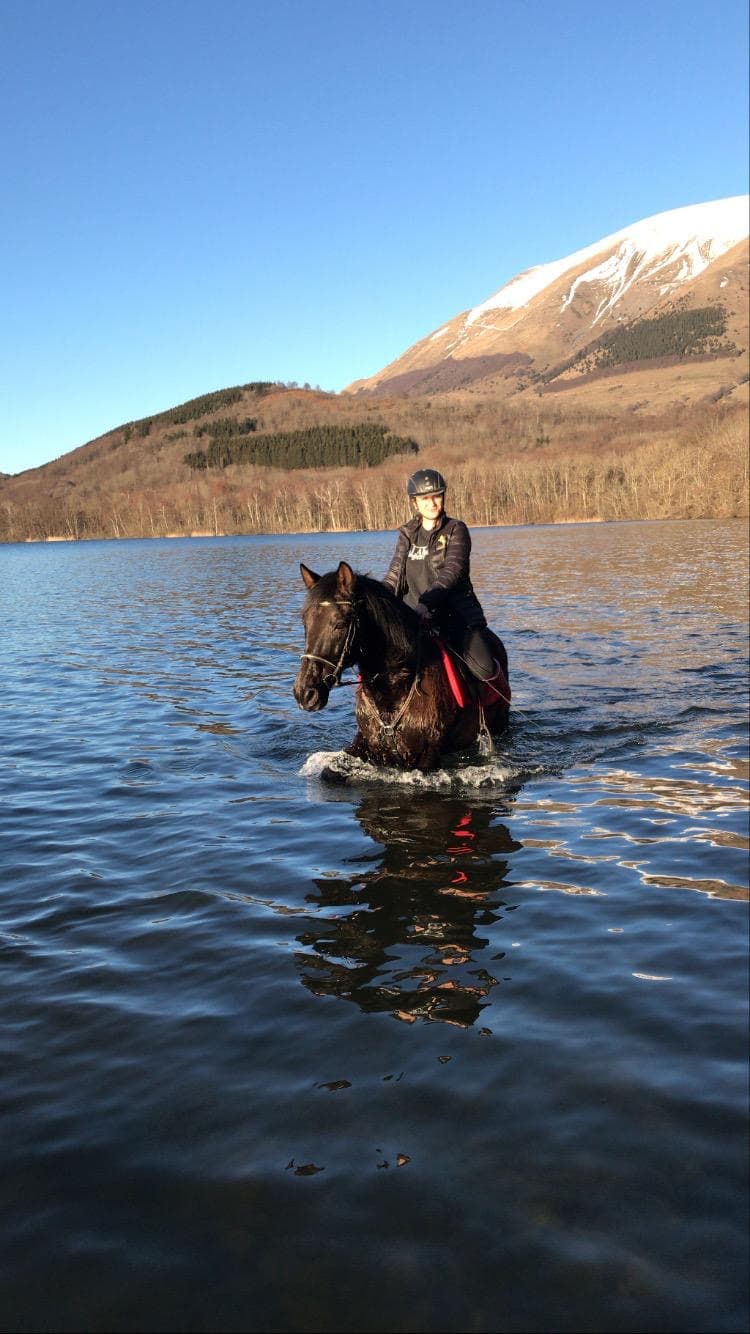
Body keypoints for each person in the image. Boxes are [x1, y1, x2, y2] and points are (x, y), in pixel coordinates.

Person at [383, 467, 505, 687]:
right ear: (415, 502)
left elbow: (452, 571)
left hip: (454, 615)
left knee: (485, 668)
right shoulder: (407, 533)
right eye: (425, 498)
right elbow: (394, 575)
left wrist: (426, 604)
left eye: (437, 496)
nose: (432, 503)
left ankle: (485, 713)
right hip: (410, 618)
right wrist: (377, 600)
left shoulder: (456, 529)